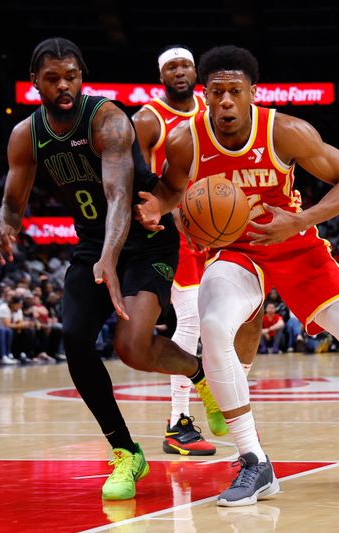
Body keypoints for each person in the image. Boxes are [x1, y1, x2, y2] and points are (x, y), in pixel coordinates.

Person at [135, 45, 339, 506]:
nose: (224, 102)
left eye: (234, 92)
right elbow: (172, 191)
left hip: (297, 248)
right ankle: (254, 462)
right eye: (215, 92)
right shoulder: (185, 141)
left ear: (251, 94)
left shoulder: (285, 131)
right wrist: (158, 210)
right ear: (205, 93)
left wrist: (299, 220)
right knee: (215, 326)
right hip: (237, 252)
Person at [0, 38, 224, 500]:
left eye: (71, 76)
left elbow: (118, 195)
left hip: (145, 234)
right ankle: (125, 453)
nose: (64, 86)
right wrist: (2, 225)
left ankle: (197, 373)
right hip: (93, 242)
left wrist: (111, 258)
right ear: (36, 81)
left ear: (82, 76)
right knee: (74, 339)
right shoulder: (26, 134)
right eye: (53, 78)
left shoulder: (108, 119)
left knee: (132, 346)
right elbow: (13, 204)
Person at [133, 44, 261, 456]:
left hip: (210, 229)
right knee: (191, 318)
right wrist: (150, 209)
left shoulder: (213, 115)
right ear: (161, 75)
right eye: (171, 66)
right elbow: (128, 171)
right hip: (172, 228)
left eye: (186, 64)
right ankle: (179, 421)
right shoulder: (149, 118)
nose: (180, 71)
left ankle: (210, 402)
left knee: (221, 318)